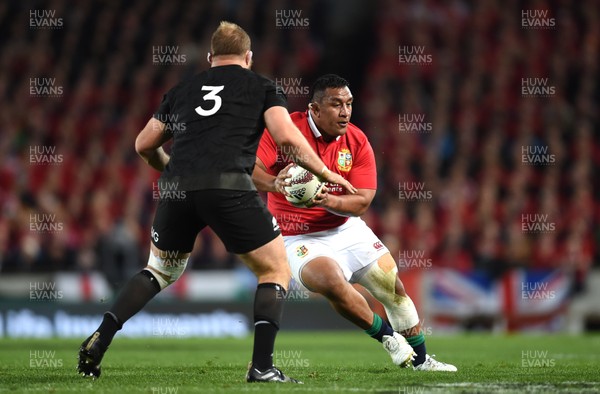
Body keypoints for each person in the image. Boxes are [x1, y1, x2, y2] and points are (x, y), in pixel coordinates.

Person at [77, 22, 356, 383]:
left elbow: (143, 144)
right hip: (228, 186)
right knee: (274, 270)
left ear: (210, 58)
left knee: (158, 271)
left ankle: (101, 337)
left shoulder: (182, 89)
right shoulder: (262, 87)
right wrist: (327, 172)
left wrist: (172, 170)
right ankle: (262, 368)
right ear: (249, 57)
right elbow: (287, 138)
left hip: (177, 188)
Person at [253, 74, 456, 372]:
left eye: (349, 104)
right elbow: (251, 171)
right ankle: (388, 338)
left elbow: (362, 200)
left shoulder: (357, 140)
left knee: (393, 288)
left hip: (346, 228)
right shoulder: (285, 131)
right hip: (298, 237)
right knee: (331, 281)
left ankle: (423, 361)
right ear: (315, 109)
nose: (345, 111)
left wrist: (327, 201)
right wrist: (275, 183)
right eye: (336, 104)